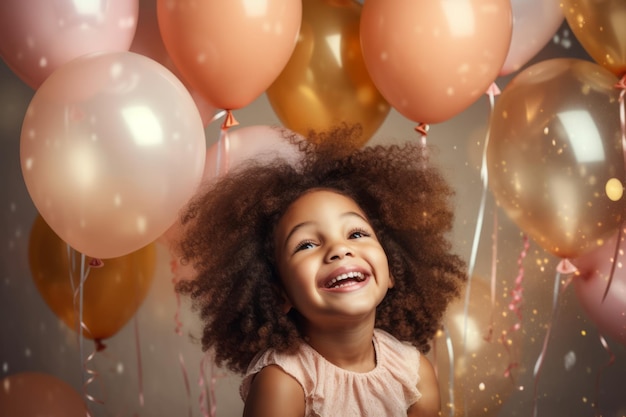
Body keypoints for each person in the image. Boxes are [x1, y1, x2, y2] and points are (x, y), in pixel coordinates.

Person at [175, 125, 467, 417]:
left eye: (355, 234)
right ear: (278, 291)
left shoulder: (413, 374)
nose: (339, 250)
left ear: (391, 269)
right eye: (306, 244)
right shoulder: (285, 382)